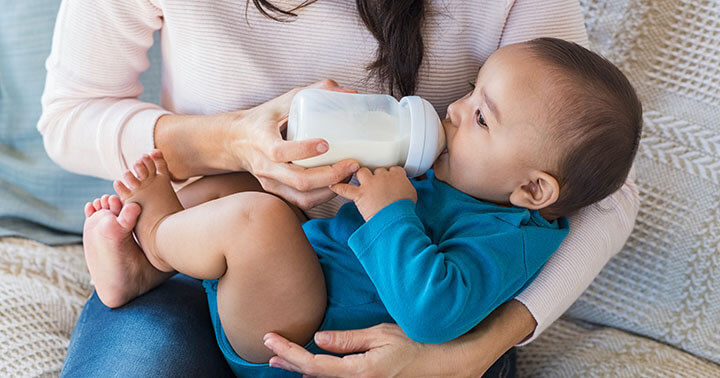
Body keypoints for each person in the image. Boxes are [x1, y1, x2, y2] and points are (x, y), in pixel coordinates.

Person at [38, 1, 640, 376]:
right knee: (233, 189)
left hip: (343, 326)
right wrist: (230, 139)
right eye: (470, 92)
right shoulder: (451, 176)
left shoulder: (491, 204)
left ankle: (159, 241)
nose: (453, 110)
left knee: (254, 219)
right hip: (246, 274)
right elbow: (70, 114)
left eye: (481, 113)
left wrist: (469, 353)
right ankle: (151, 260)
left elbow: (599, 190)